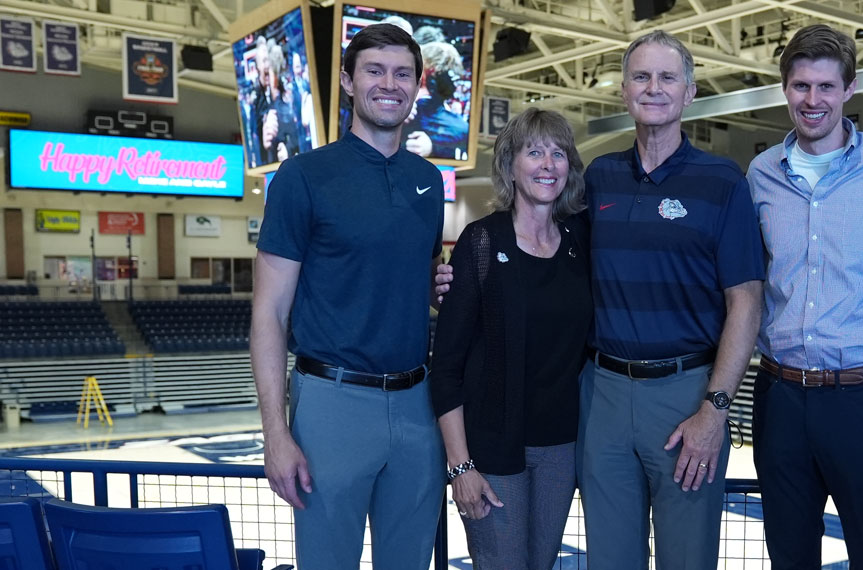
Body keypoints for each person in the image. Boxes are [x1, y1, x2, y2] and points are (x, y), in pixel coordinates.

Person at [251, 23, 445, 569]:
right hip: (331, 402)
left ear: (417, 84)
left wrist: (442, 290)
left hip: (416, 403)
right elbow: (268, 312)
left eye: (403, 73)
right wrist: (275, 433)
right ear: (348, 81)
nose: (390, 84)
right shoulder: (303, 177)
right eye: (375, 71)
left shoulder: (428, 181)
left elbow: (420, 280)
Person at [577, 30, 764, 569]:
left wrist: (715, 410)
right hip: (603, 394)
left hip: (686, 395)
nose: (653, 88)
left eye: (666, 77)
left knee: (687, 558)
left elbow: (746, 302)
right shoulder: (599, 177)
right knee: (610, 560)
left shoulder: (723, 181)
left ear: (690, 92)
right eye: (641, 76)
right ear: (623, 91)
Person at [746, 24, 863, 569]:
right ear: (785, 89)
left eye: (825, 87)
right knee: (788, 556)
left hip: (862, 397)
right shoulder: (761, 172)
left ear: (849, 90)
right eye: (800, 86)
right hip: (780, 394)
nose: (812, 100)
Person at [430, 107, 591, 569]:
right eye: (534, 151)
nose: (547, 164)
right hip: (492, 447)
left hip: (560, 446)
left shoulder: (579, 242)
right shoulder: (480, 242)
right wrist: (460, 465)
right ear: (510, 165)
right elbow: (447, 368)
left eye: (558, 153)